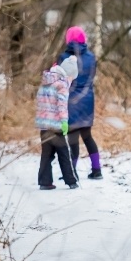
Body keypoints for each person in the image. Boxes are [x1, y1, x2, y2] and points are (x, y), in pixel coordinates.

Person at [57, 25, 103, 180]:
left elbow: (61, 78)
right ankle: (97, 170)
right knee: (88, 136)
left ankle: (72, 172)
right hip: (88, 99)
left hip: (71, 100)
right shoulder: (91, 57)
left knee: (73, 137)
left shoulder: (63, 57)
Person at [35, 56, 79, 190]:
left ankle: (44, 182)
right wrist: (64, 122)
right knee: (64, 153)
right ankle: (71, 180)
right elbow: (62, 106)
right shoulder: (62, 84)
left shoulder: (45, 81)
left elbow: (39, 101)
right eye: (72, 78)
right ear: (68, 74)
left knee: (46, 154)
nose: (71, 82)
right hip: (56, 125)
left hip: (44, 124)